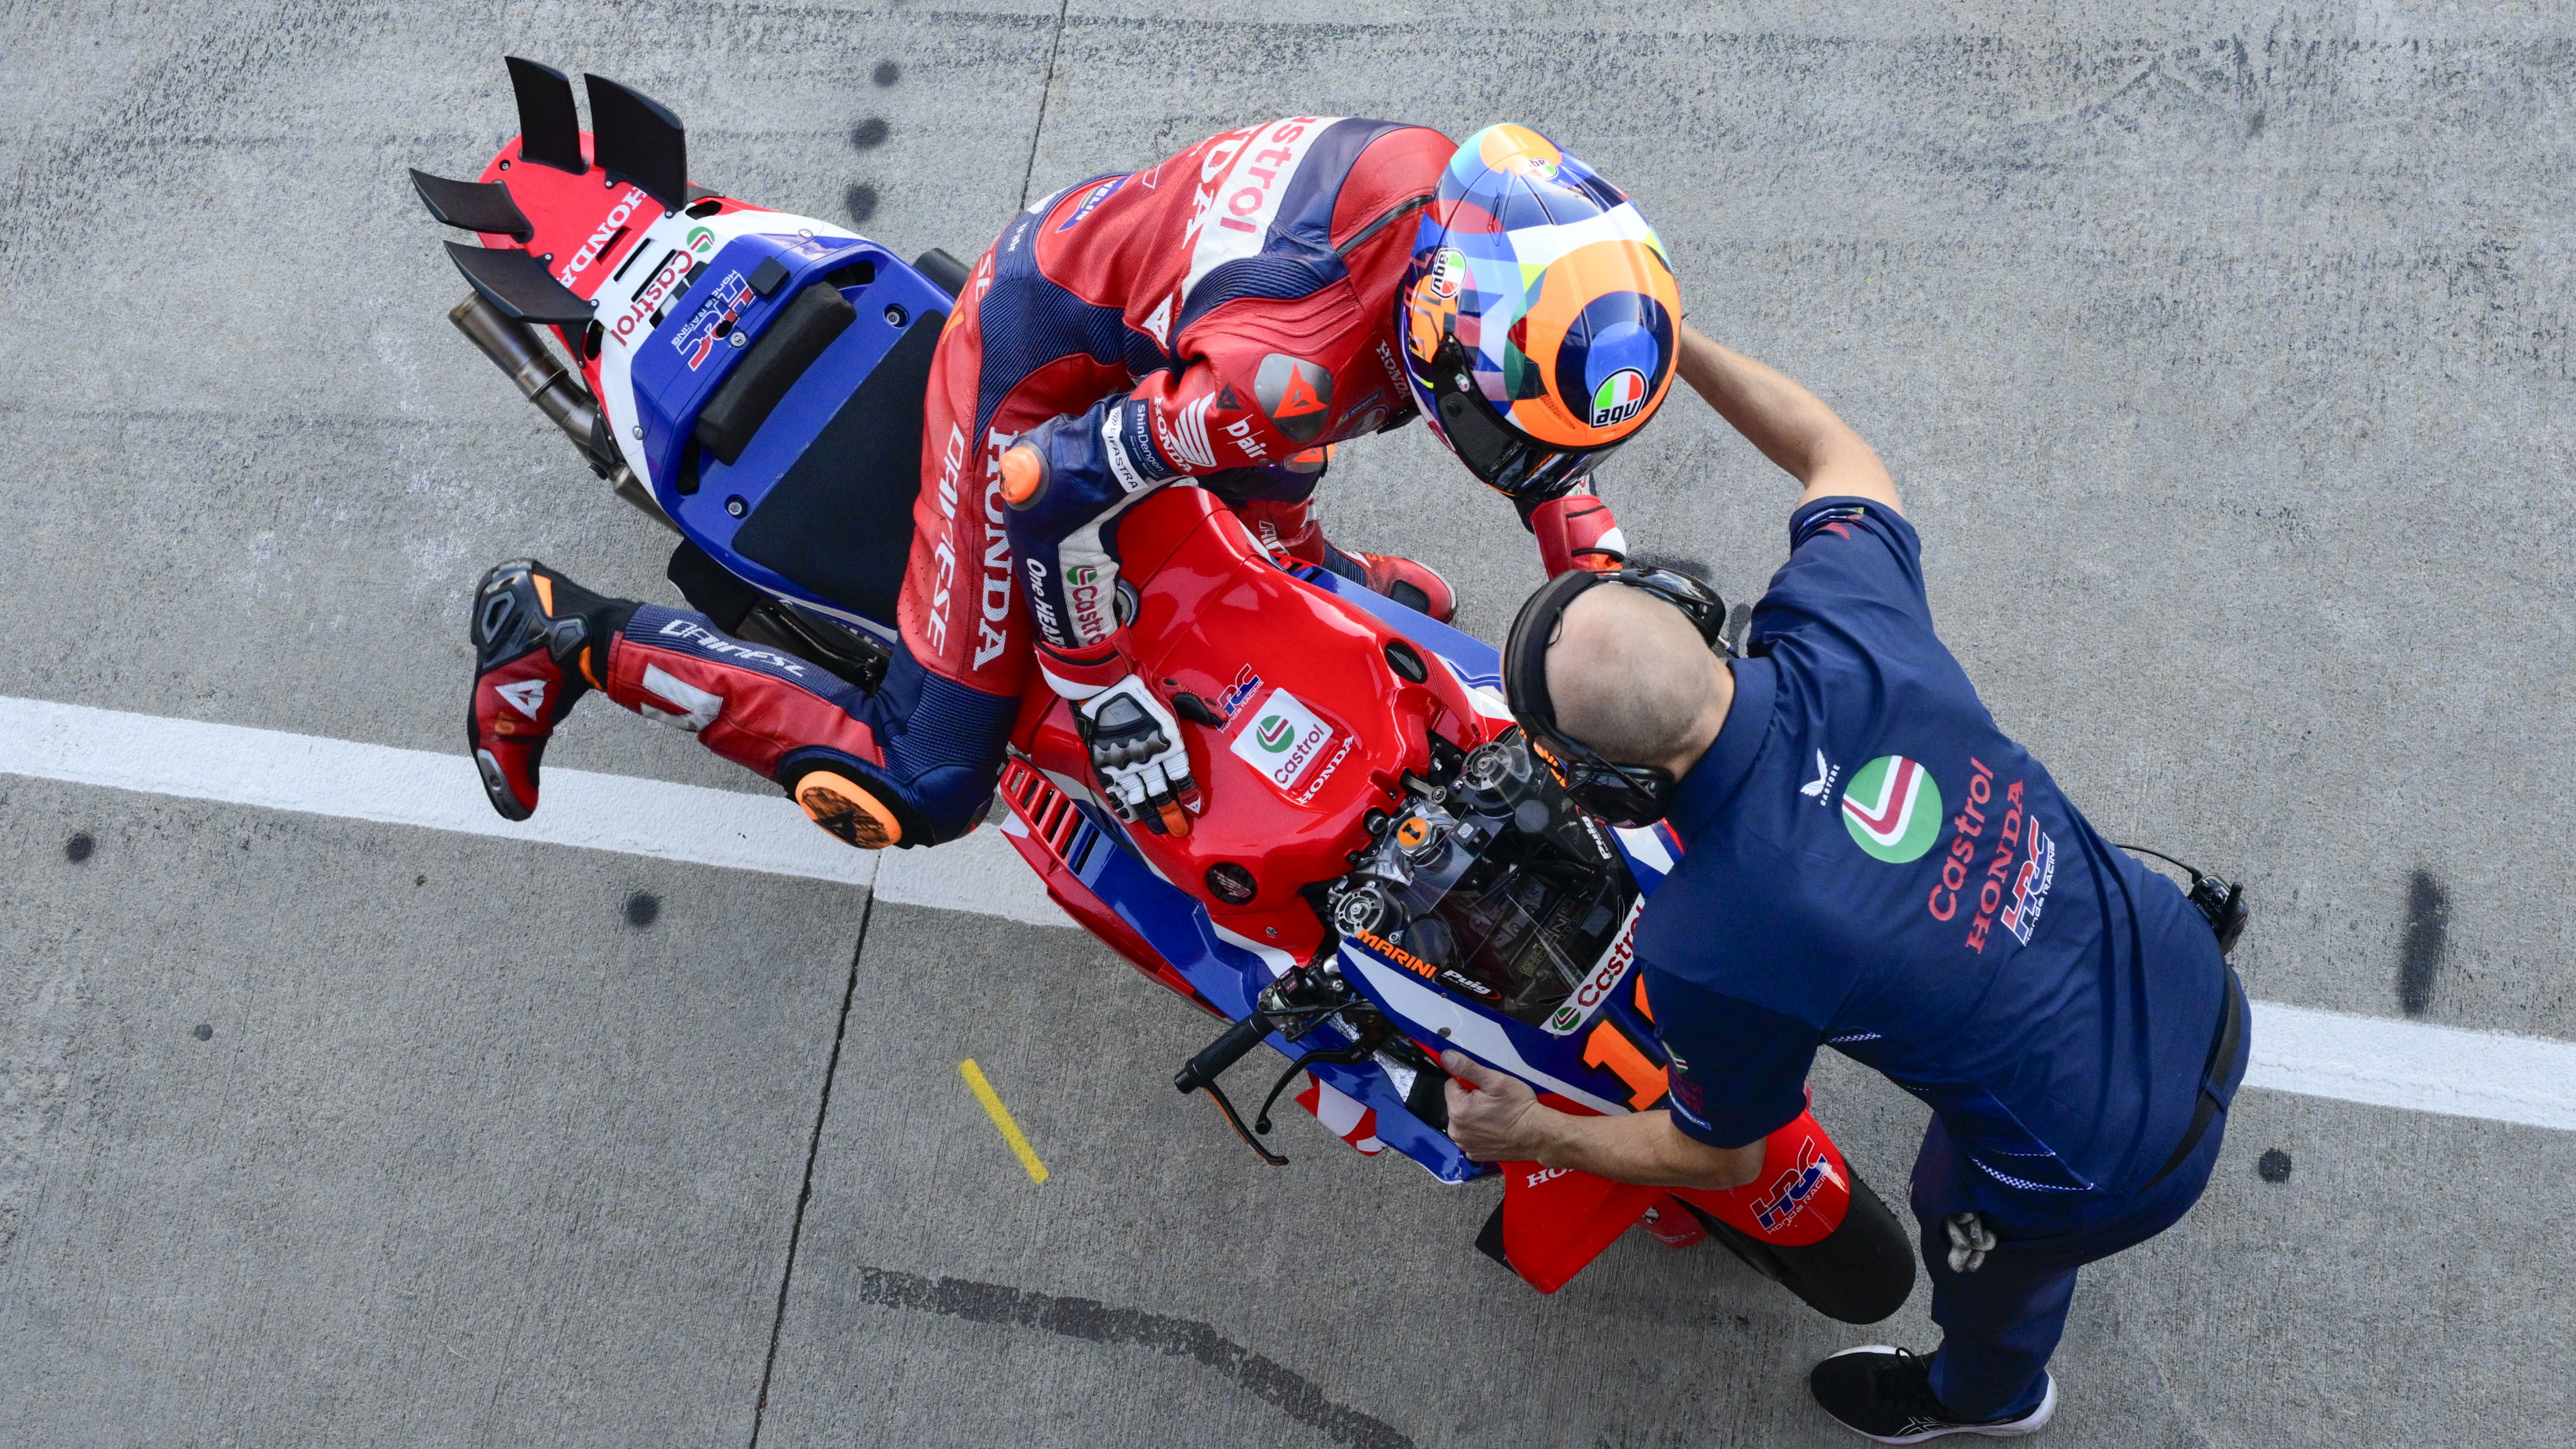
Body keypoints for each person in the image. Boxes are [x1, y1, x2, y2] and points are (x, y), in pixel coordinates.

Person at [1441, 323, 2249, 1442]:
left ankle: (1986, 1397)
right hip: (2191, 974)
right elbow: (1832, 449)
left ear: (1615, 786)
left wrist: (1533, 1134)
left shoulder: (1710, 941)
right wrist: (1671, 345)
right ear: (1686, 608)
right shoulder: (1842, 614)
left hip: (2099, 1169)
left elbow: (1722, 1153)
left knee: (1963, 1231)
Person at [467, 119, 1679, 846]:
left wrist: (1603, 572)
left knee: (1282, 470)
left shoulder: (1470, 205)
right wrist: (1100, 693)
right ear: (1436, 327)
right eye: (1504, 432)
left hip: (1155, 310)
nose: (1526, 465)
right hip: (1026, 390)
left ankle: (1306, 570)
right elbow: (1043, 487)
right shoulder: (1286, 378)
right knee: (925, 783)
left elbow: (1537, 404)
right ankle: (564, 637)